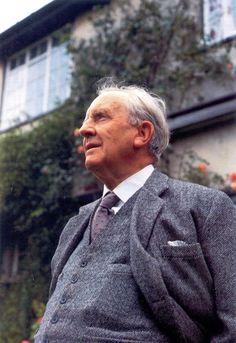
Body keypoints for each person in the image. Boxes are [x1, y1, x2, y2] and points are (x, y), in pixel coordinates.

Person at [35, 81, 236, 343]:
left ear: (142, 133)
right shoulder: (75, 225)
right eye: (86, 121)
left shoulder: (205, 207)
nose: (84, 130)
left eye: (100, 117)